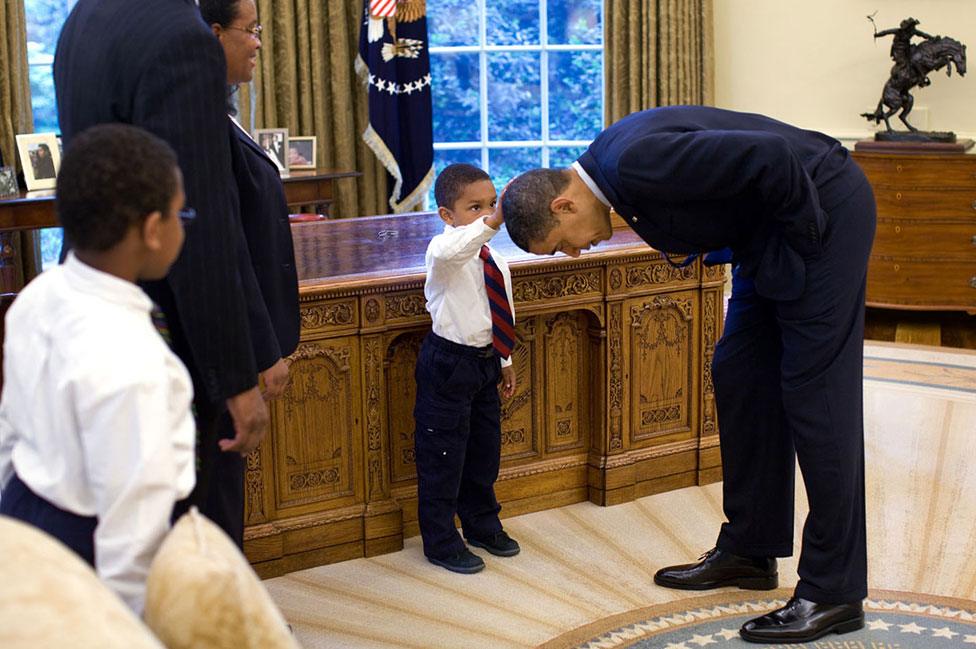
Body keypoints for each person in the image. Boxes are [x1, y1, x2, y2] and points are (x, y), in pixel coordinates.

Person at [500, 106, 876, 644]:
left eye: (562, 241)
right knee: (740, 374)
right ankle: (751, 549)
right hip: (772, 232)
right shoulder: (614, 171)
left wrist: (807, 243)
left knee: (818, 398)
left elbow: (773, 157)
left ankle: (834, 591)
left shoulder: (634, 163)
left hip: (821, 212)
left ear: (564, 203)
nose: (575, 251)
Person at [54, 0, 270, 517]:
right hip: (168, 328)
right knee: (193, 526)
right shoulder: (182, 35)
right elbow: (200, 218)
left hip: (90, 300)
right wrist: (235, 378)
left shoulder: (83, 18)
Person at [0, 123, 195, 614]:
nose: (182, 226)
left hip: (22, 512)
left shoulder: (37, 296)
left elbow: (9, 428)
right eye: (180, 214)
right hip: (88, 547)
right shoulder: (136, 360)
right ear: (153, 231)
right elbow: (132, 530)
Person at [200, 0, 300, 547]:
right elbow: (227, 250)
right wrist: (261, 350)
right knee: (217, 498)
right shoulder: (200, 124)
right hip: (231, 349)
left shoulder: (222, 112)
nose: (260, 42)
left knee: (227, 495)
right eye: (252, 30)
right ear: (215, 34)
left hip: (242, 343)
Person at [414, 163, 520, 574]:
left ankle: (482, 523)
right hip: (448, 364)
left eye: (491, 204)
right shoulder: (442, 253)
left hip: (485, 364)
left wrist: (505, 360)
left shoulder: (494, 258)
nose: (486, 213)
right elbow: (455, 249)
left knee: (483, 451)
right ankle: (440, 540)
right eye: (474, 207)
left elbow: (500, 309)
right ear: (447, 215)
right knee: (443, 455)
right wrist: (493, 221)